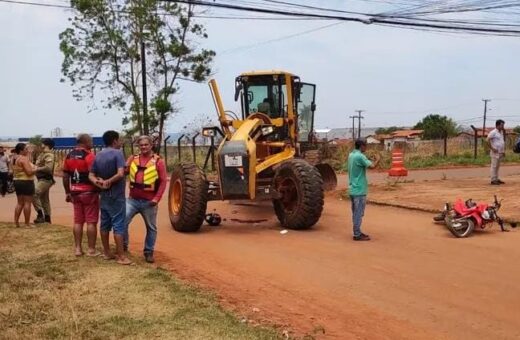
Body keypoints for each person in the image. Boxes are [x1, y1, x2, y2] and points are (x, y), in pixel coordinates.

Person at [89, 130, 132, 265]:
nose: (119, 143)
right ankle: (121, 256)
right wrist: (109, 181)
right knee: (118, 225)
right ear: (114, 141)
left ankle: (107, 252)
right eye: (118, 140)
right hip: (117, 196)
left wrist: (99, 183)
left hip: (104, 196)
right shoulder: (118, 154)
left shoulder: (98, 155)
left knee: (105, 224)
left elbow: (91, 175)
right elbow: (120, 174)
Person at [124, 135, 167, 263]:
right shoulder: (132, 159)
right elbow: (123, 172)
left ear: (151, 145)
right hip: (132, 200)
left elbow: (163, 182)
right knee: (123, 222)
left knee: (151, 228)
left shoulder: (159, 162)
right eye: (141, 145)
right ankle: (123, 246)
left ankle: (149, 252)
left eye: (145, 144)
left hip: (149, 202)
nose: (143, 147)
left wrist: (157, 198)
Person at [63, 134, 99, 257]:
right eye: (91, 141)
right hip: (89, 192)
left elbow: (65, 176)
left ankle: (78, 249)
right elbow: (94, 174)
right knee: (91, 222)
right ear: (85, 142)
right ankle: (91, 249)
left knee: (78, 221)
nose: (92, 143)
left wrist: (67, 192)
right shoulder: (89, 156)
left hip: (75, 193)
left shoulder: (69, 155)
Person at [347, 139, 380, 241]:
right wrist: (378, 159)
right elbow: (372, 166)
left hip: (352, 188)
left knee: (355, 212)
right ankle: (357, 234)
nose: (366, 147)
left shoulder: (351, 155)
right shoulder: (360, 156)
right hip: (359, 189)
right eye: (365, 145)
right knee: (359, 212)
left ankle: (357, 231)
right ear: (361, 146)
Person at [12, 143, 36, 227]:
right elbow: (29, 172)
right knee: (27, 203)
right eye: (26, 149)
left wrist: (30, 154)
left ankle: (16, 222)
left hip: (17, 181)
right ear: (21, 150)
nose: (27, 150)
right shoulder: (24, 159)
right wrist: (36, 169)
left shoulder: (14, 158)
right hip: (26, 181)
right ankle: (27, 223)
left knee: (20, 203)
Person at [33, 138, 56, 224]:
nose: (41, 145)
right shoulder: (42, 154)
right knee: (44, 199)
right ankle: (47, 218)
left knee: (34, 194)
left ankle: (40, 214)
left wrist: (37, 169)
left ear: (46, 145)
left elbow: (48, 168)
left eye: (42, 143)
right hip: (42, 179)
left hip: (45, 179)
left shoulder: (48, 155)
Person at [487, 119, 506, 185]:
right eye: (502, 125)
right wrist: (492, 148)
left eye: (503, 125)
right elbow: (487, 140)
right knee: (494, 166)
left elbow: (501, 142)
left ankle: (496, 179)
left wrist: (503, 151)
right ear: (497, 125)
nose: (503, 126)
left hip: (500, 152)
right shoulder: (493, 132)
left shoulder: (501, 132)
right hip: (495, 152)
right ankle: (493, 180)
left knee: (498, 166)